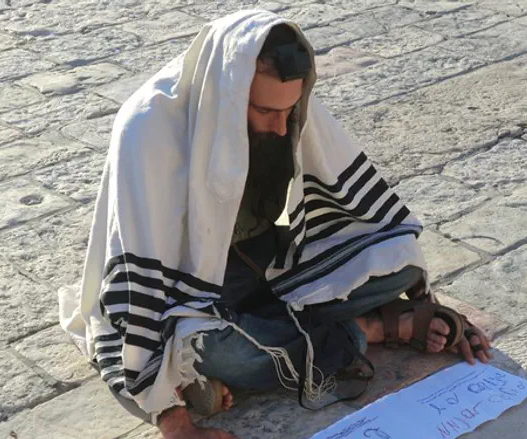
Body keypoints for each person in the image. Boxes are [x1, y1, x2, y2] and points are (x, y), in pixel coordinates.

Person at [58, 10, 492, 439]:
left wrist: (418, 291)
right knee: (220, 353)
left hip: (276, 267)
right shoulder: (148, 128)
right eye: (266, 111)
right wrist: (175, 423)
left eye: (291, 110)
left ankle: (286, 340)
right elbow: (140, 290)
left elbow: (354, 207)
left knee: (398, 259)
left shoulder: (287, 108)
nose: (284, 126)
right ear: (229, 93)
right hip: (192, 291)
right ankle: (368, 328)